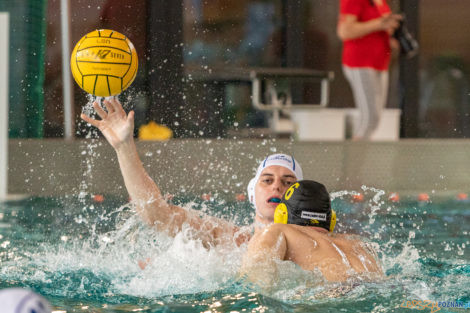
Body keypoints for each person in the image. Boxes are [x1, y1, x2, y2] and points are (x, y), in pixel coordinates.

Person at [80, 99, 381, 283]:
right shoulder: (226, 238)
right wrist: (124, 148)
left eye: (288, 183)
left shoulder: (328, 244)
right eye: (268, 180)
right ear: (252, 193)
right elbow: (155, 213)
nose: (277, 184)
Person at [240, 180, 382, 285]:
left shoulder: (277, 230)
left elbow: (255, 278)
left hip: (332, 294)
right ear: (331, 219)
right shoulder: (359, 244)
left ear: (281, 214)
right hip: (378, 287)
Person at [337, 0, 402, 140]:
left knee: (374, 119)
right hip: (360, 63)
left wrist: (393, 39)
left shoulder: (381, 2)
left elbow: (378, 30)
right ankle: (353, 161)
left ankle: (359, 159)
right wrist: (379, 24)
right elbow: (344, 31)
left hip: (380, 64)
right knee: (369, 119)